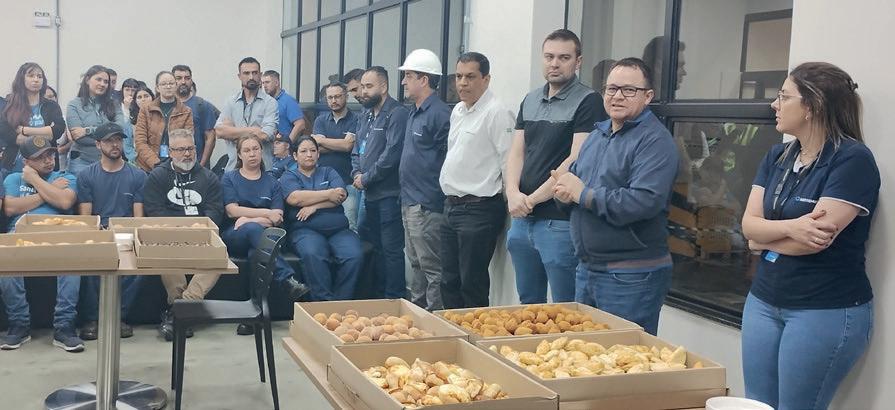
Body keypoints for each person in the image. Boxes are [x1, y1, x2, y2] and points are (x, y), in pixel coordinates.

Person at [740, 62, 878, 410]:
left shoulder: (852, 160)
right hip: (764, 300)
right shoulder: (778, 155)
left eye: (784, 97)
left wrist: (763, 238)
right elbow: (748, 226)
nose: (774, 104)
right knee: (758, 404)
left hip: (823, 307)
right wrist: (790, 227)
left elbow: (811, 242)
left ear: (812, 106)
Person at [554, 57, 679, 335]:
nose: (617, 96)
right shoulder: (597, 135)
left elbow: (642, 202)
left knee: (623, 357)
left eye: (629, 90)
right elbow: (575, 189)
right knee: (586, 353)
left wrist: (582, 194)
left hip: (631, 276)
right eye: (611, 89)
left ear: (648, 96)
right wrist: (563, 195)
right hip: (588, 269)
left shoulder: (655, 141)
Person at [505, 29, 605, 304]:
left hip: (558, 222)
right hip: (522, 219)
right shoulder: (530, 99)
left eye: (564, 57)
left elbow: (575, 161)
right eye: (549, 57)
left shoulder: (589, 101)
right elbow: (516, 153)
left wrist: (531, 200)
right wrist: (512, 194)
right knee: (529, 305)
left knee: (567, 308)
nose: (555, 63)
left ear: (578, 62)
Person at [439, 52, 514, 309]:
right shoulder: (458, 110)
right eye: (458, 76)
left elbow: (509, 161)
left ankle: (474, 333)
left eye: (470, 77)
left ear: (486, 79)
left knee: (472, 283)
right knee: (448, 280)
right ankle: (451, 330)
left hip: (479, 209)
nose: (462, 83)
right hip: (451, 206)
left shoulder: (497, 112)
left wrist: (511, 201)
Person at [0, 136, 82, 352]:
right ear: (26, 162)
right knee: (5, 258)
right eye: (40, 157)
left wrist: (35, 181)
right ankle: (19, 324)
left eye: (50, 154)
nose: (48, 160)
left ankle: (64, 326)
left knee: (74, 259)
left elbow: (64, 201)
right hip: (19, 233)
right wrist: (50, 191)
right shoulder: (13, 179)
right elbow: (10, 208)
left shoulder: (65, 176)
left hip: (59, 233)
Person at [221, 136, 310, 334]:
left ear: (262, 152)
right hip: (235, 235)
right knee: (256, 233)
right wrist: (265, 214)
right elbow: (232, 211)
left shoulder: (273, 182)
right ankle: (287, 279)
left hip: (263, 237)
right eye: (247, 150)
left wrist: (248, 219)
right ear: (239, 155)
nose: (252, 154)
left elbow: (277, 218)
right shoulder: (229, 178)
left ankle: (254, 316)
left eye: (256, 149)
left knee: (257, 252)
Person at [143, 128, 225, 341]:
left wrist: (197, 233)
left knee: (220, 253)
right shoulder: (157, 176)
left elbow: (215, 212)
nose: (187, 154)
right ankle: (184, 313)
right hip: (169, 235)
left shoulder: (209, 178)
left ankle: (180, 309)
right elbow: (154, 212)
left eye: (190, 148)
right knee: (164, 250)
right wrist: (178, 232)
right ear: (170, 152)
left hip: (202, 235)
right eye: (180, 150)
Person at [76, 123, 147, 341]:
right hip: (98, 232)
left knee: (137, 267)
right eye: (109, 140)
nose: (115, 145)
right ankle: (92, 319)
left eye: (118, 140)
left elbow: (138, 218)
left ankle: (119, 316)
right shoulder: (86, 175)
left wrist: (128, 235)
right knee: (89, 262)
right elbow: (86, 219)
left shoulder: (137, 175)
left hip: (126, 234)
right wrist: (100, 235)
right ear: (98, 144)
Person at [396, 49, 451, 311]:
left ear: (424, 79)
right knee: (416, 262)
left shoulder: (440, 114)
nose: (403, 82)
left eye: (408, 76)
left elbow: (447, 161)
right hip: (409, 201)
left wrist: (430, 199)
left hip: (427, 204)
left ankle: (435, 319)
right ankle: (417, 313)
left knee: (432, 266)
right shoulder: (414, 112)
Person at [351, 66, 409, 298]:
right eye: (362, 87)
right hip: (368, 193)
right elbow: (357, 148)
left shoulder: (397, 114)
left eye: (369, 86)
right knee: (372, 246)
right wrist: (356, 172)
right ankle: (375, 295)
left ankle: (394, 298)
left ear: (383, 87)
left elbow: (391, 155)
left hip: (388, 194)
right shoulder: (365, 115)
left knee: (391, 249)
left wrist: (366, 178)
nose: (363, 92)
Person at [282, 136, 362, 301]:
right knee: (313, 254)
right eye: (304, 151)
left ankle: (340, 303)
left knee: (354, 255)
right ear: (295, 155)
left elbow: (341, 195)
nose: (309, 155)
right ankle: (323, 303)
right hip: (305, 230)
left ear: (318, 154)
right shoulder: (289, 176)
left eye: (313, 150)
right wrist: (328, 194)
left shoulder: (329, 171)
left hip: (338, 229)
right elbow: (296, 198)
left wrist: (315, 206)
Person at [0, 63, 67, 173]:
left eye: (39, 76)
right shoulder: (9, 105)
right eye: (31, 76)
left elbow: (58, 130)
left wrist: (24, 130)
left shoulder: (51, 106)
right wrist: (45, 133)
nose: (36, 80)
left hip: (47, 165)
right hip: (15, 164)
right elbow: (6, 132)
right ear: (22, 79)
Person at [215, 57, 278, 170]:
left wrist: (232, 133)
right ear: (239, 76)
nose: (251, 77)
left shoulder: (270, 103)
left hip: (262, 170)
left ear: (260, 75)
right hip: (234, 170)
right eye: (246, 73)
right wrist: (254, 130)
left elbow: (265, 135)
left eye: (255, 73)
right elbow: (219, 131)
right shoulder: (231, 102)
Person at [312, 83, 360, 231]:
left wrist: (322, 140)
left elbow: (348, 146)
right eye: (330, 97)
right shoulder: (320, 120)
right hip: (322, 183)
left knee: (350, 224)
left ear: (346, 96)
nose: (334, 100)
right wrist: (339, 143)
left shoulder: (356, 119)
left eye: (338, 96)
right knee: (322, 223)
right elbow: (316, 149)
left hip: (348, 182)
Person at [66, 65, 129, 175]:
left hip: (111, 162)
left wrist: (87, 130)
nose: (102, 84)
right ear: (87, 80)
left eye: (106, 81)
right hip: (82, 162)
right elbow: (79, 138)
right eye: (98, 79)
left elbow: (119, 128)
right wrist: (108, 136)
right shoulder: (74, 105)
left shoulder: (114, 104)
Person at [133, 71, 194, 171]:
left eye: (171, 83)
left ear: (176, 85)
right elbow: (140, 141)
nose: (168, 86)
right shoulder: (146, 110)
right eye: (164, 84)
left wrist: (172, 165)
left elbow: (186, 141)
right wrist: (156, 164)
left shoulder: (186, 111)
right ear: (157, 88)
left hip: (175, 165)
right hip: (148, 166)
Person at [172, 64, 220, 168]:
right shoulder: (165, 105)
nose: (183, 82)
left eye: (187, 78)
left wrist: (201, 165)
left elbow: (210, 138)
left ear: (191, 81)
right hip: (170, 166)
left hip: (196, 165)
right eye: (179, 78)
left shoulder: (202, 105)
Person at [262, 70, 305, 145]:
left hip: (284, 148)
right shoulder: (266, 102)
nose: (265, 86)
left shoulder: (288, 100)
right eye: (263, 83)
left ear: (276, 83)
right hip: (270, 146)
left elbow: (300, 124)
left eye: (267, 82)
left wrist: (287, 144)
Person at [45, 86, 73, 171]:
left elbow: (73, 140)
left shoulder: (63, 120)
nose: (48, 100)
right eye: (44, 97)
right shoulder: (37, 120)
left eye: (51, 96)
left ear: (56, 98)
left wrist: (59, 150)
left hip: (62, 166)